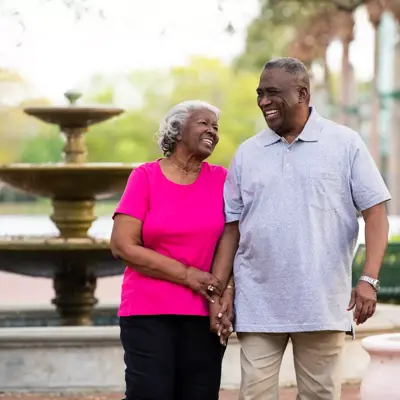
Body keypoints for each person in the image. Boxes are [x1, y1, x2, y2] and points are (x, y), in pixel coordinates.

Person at [210, 57, 391, 400]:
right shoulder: (248, 153)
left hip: (321, 303)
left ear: (302, 93)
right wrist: (225, 289)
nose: (263, 101)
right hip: (258, 305)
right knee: (254, 396)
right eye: (260, 93)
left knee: (320, 397)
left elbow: (376, 213)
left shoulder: (344, 143)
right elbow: (232, 229)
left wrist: (368, 279)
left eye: (273, 93)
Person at [110, 100, 233, 400]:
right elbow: (122, 245)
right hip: (147, 311)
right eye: (203, 123)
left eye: (215, 127)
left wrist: (221, 294)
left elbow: (231, 238)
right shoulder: (145, 177)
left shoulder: (222, 179)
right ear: (177, 130)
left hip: (204, 314)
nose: (212, 131)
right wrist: (187, 275)